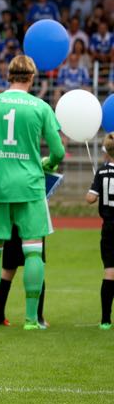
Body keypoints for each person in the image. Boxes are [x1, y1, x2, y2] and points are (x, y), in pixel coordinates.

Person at [0, 55, 65, 329]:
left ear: (7, 75)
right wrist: (48, 163)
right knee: (33, 252)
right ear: (32, 77)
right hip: (31, 186)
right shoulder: (41, 107)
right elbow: (58, 151)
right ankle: (32, 319)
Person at [85, 133, 114, 330]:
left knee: (109, 271)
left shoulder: (102, 172)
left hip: (109, 227)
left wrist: (94, 186)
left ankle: (105, 320)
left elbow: (90, 198)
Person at [0, 225, 48, 328]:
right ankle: (37, 318)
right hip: (33, 221)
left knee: (8, 269)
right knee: (35, 264)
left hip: (14, 220)